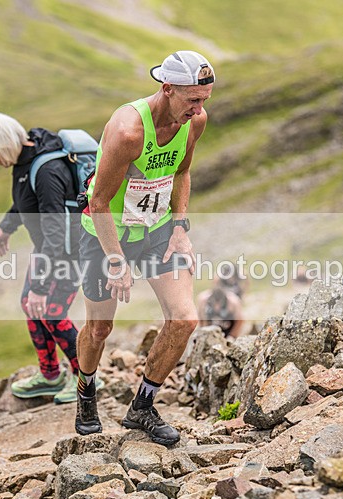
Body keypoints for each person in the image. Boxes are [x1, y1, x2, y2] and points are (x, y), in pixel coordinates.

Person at [74, 51, 215, 445]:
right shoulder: (128, 132)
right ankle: (86, 392)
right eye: (192, 99)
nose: (199, 108)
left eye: (204, 98)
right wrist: (116, 261)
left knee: (185, 319)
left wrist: (181, 226)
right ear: (167, 89)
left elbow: (182, 171)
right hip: (106, 234)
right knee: (100, 328)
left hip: (157, 231)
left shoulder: (194, 122)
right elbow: (99, 202)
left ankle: (143, 407)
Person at [0, 111, 100, 404]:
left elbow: (55, 231)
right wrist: (6, 227)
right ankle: (50, 375)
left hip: (69, 252)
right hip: (49, 251)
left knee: (51, 311)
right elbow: (25, 202)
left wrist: (42, 286)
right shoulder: (24, 162)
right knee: (30, 305)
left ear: (1, 143)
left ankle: (87, 376)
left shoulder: (47, 170)